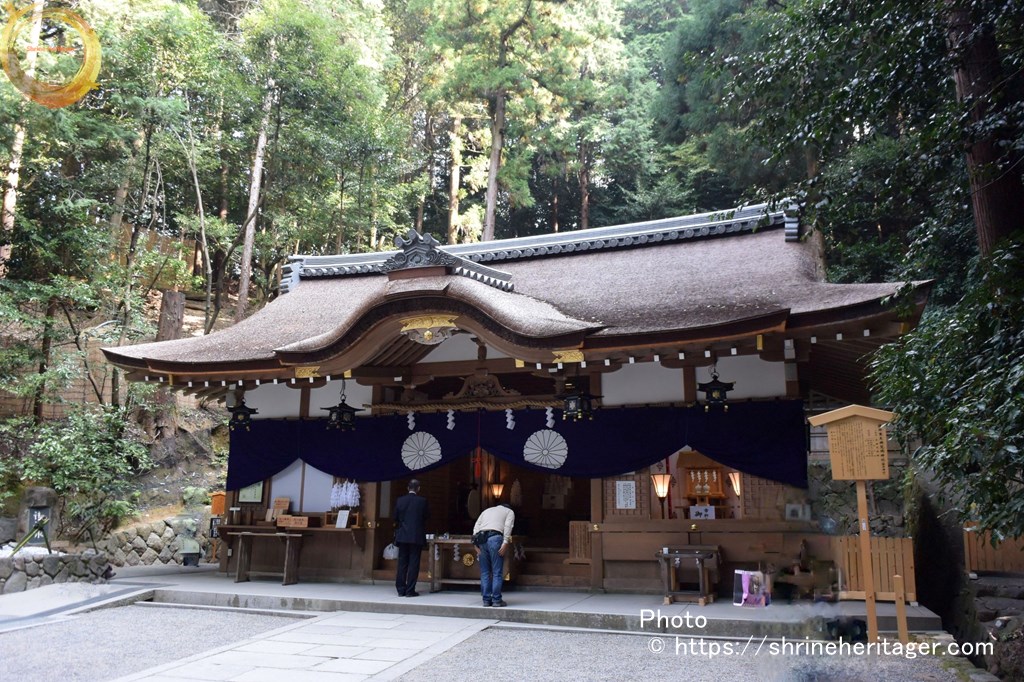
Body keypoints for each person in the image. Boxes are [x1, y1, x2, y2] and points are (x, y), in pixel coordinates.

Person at [473, 502, 515, 607]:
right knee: (497, 572)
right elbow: (508, 526)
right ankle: (496, 600)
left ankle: (486, 600)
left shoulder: (486, 511)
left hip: (482, 539)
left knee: (485, 572)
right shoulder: (509, 512)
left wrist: (475, 544)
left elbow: (476, 527)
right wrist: (505, 542)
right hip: (495, 538)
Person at [394, 479, 429, 597]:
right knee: (414, 563)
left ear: (407, 488)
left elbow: (395, 518)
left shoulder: (400, 501)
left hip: (403, 535)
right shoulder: (422, 501)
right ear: (418, 488)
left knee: (402, 563)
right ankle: (410, 590)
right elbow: (426, 517)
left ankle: (400, 589)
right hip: (416, 535)